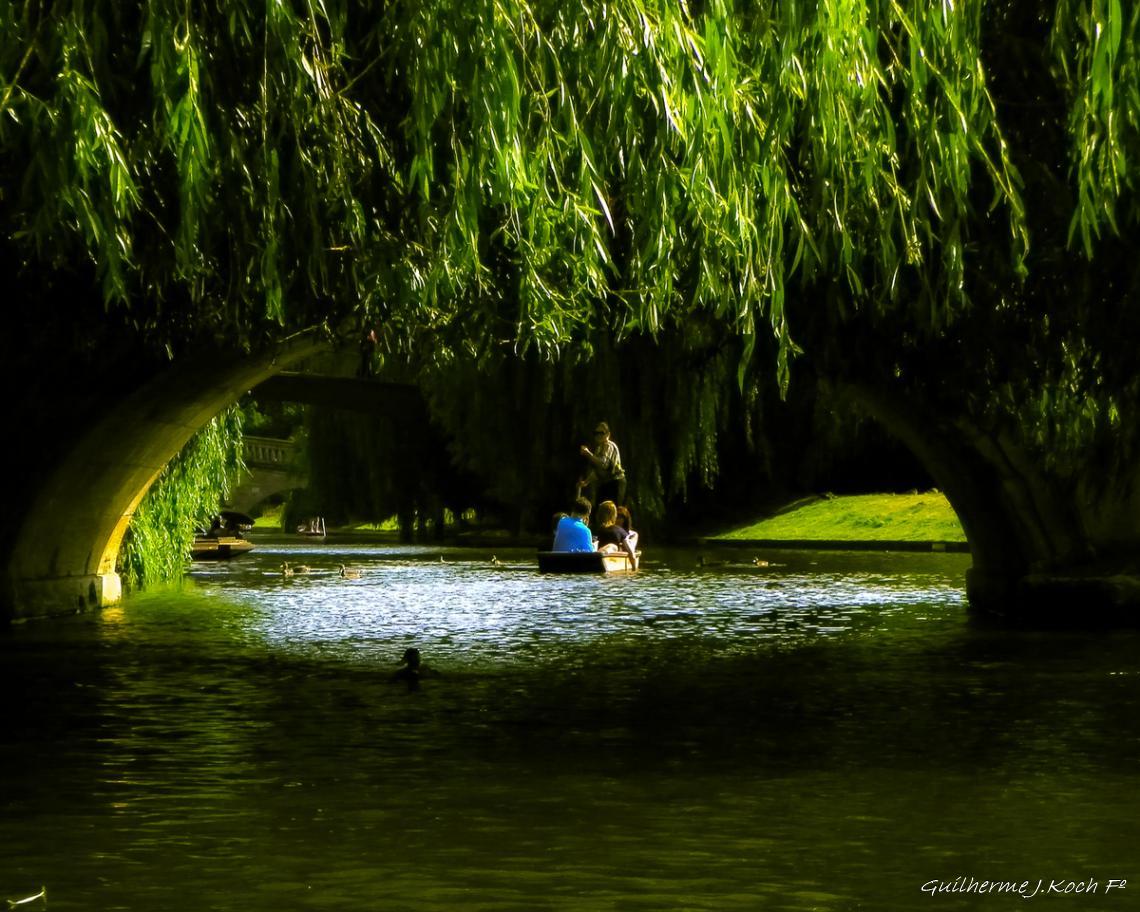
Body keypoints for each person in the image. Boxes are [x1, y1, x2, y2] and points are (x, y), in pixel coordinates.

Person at [577, 421, 626, 507]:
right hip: (606, 482)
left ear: (608, 434)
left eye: (601, 433)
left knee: (612, 510)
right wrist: (586, 482)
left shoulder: (608, 445)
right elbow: (598, 471)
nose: (598, 435)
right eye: (596, 433)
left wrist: (588, 453)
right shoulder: (599, 448)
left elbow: (603, 464)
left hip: (615, 482)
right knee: (600, 508)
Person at [595, 500, 638, 570]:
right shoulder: (619, 530)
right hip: (609, 559)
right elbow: (631, 553)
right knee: (613, 546)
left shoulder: (597, 530)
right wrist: (634, 569)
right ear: (614, 515)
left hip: (598, 559)